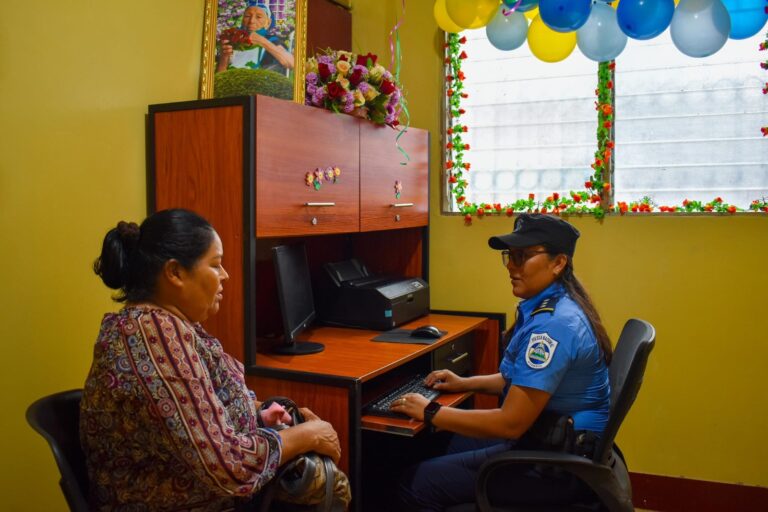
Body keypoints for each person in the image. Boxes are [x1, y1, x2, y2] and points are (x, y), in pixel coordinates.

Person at [81, 208, 342, 511]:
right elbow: (229, 466)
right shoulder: (156, 336)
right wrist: (308, 435)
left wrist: (257, 414)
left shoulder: (163, 324)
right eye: (215, 265)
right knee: (332, 489)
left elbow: (191, 418)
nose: (225, 275)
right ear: (175, 272)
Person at [393, 213, 612, 511]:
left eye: (522, 256)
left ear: (558, 263)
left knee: (415, 483)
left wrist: (430, 411)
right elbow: (518, 380)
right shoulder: (550, 305)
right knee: (443, 444)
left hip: (555, 464)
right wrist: (463, 383)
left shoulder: (554, 325)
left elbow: (511, 422)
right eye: (510, 256)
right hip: (550, 438)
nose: (511, 265)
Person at [216, 1, 294, 75]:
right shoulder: (234, 41)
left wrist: (262, 41)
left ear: (268, 23)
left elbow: (291, 63)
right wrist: (224, 58)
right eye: (247, 16)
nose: (251, 21)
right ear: (243, 20)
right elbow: (220, 78)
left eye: (258, 17)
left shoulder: (273, 41)